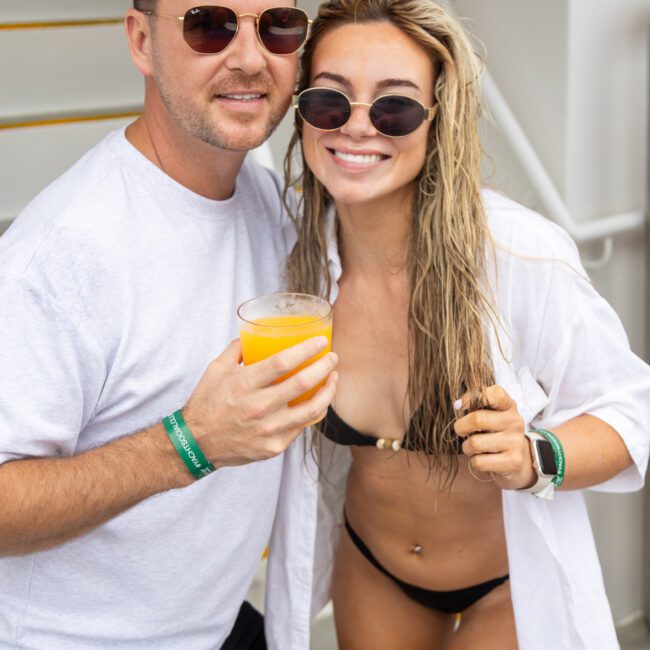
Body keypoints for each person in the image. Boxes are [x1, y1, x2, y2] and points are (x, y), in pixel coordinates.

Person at [282, 0, 650, 648]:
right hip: (373, 569)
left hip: (506, 583)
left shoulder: (517, 253)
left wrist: (540, 455)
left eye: (394, 106)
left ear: (437, 118)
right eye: (330, 101)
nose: (357, 128)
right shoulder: (293, 258)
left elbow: (633, 411)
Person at [0, 2, 338, 649]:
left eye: (277, 26)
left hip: (216, 624)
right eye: (209, 25)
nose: (248, 56)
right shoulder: (61, 254)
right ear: (141, 41)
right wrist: (191, 441)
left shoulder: (275, 208)